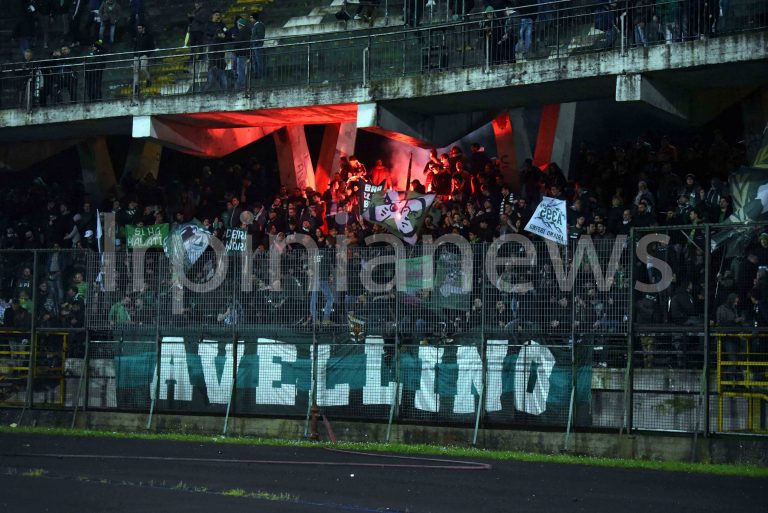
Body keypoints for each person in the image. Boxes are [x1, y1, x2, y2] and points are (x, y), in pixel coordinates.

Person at [133, 23, 156, 91]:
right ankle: (136, 86)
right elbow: (135, 46)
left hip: (144, 54)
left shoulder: (148, 36)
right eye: (138, 28)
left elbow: (152, 47)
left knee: (143, 69)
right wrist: (134, 53)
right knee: (135, 71)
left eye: (140, 28)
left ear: (143, 28)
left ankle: (148, 80)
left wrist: (147, 54)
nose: (139, 30)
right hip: (136, 55)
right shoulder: (137, 36)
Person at [249, 12, 266, 80]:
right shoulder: (256, 25)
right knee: (255, 60)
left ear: (254, 18)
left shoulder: (259, 25)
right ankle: (256, 74)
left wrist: (255, 42)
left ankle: (260, 75)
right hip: (254, 45)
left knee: (259, 60)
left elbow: (260, 36)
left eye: (251, 17)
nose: (250, 19)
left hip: (257, 45)